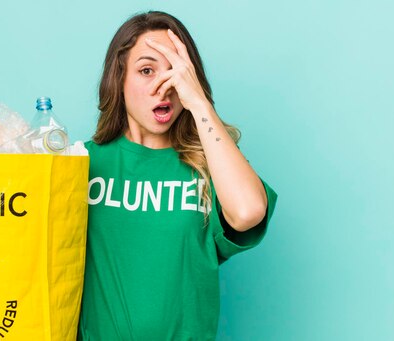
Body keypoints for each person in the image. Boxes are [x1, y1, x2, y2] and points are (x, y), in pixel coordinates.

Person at [78, 11, 278, 340]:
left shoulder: (209, 163)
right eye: (146, 70)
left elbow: (248, 213)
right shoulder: (84, 163)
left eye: (176, 73)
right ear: (119, 78)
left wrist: (198, 103)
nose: (164, 86)